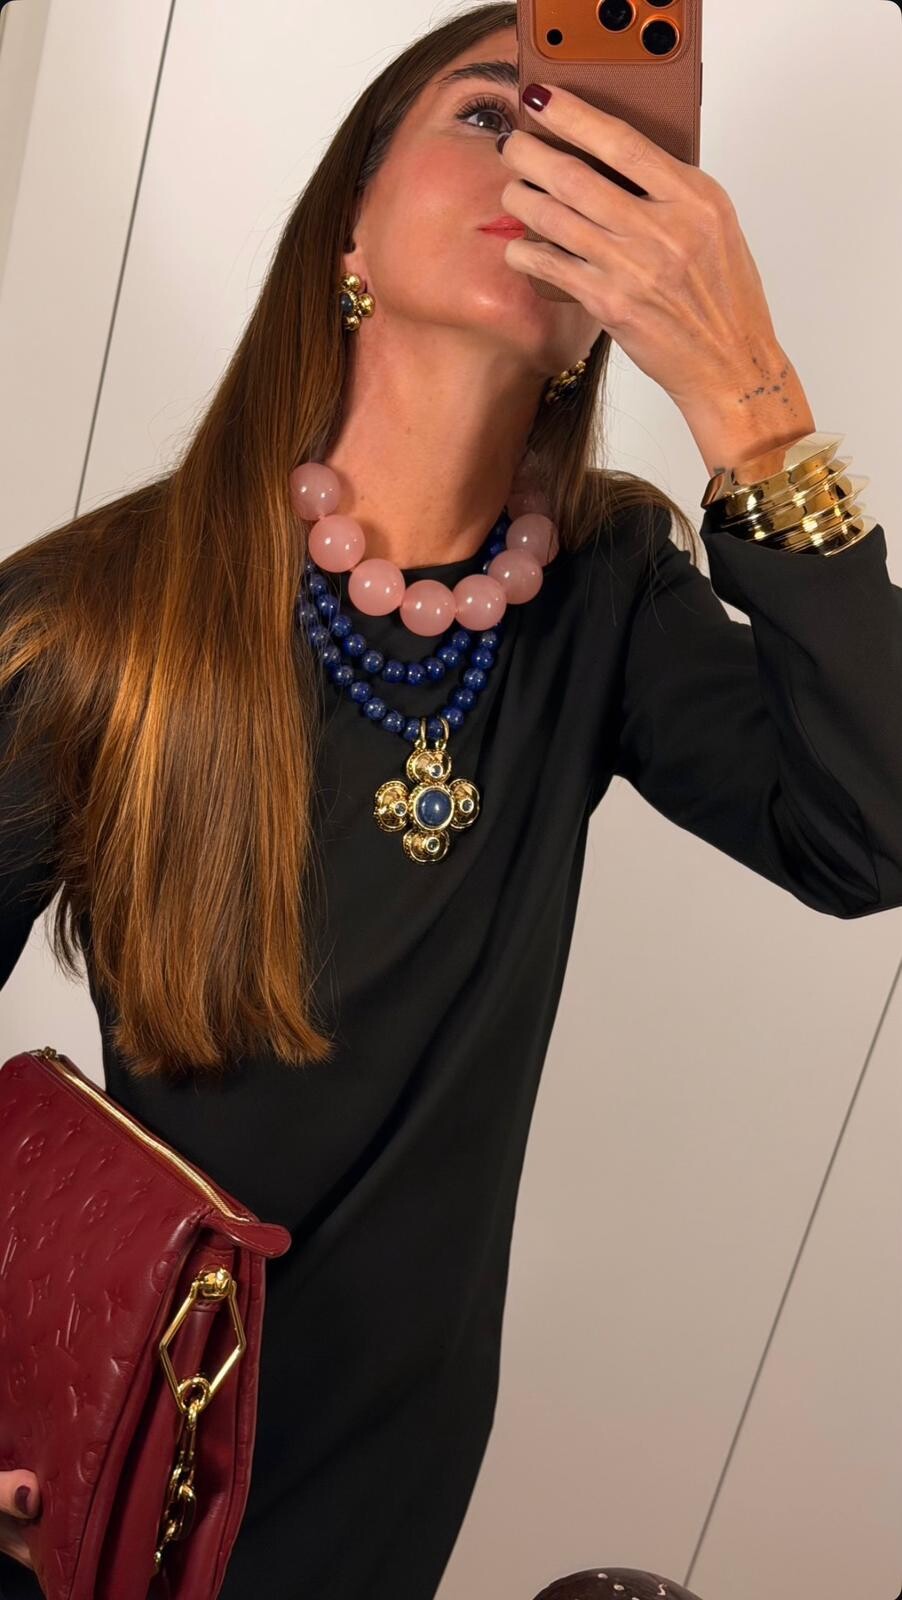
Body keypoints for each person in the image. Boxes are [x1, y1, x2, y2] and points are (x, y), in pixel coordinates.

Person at [2, 5, 901, 1597]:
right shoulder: (91, 620)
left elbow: (871, 832)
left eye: (602, 160)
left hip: (382, 1479)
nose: (541, 174)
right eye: (490, 116)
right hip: (98, 1450)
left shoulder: (604, 588)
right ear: (349, 224)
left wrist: (748, 400)